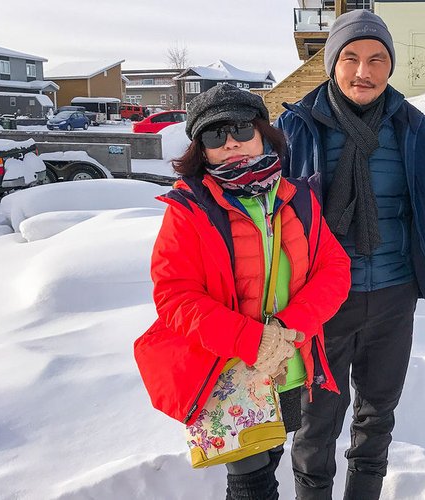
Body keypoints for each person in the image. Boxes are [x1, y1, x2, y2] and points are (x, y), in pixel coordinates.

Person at [275, 9, 425, 500]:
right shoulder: (297, 127)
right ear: (331, 63)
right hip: (323, 301)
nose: (363, 71)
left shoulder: (411, 126)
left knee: (376, 418)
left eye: (377, 59)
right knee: (317, 424)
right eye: (350, 57)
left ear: (390, 67)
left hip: (394, 296)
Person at [147, 83, 351, 499]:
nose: (231, 144)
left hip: (287, 363)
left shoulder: (298, 199)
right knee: (251, 482)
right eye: (214, 135)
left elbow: (335, 269)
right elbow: (175, 296)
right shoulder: (190, 210)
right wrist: (253, 341)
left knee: (270, 457)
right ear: (201, 150)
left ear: (263, 133)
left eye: (241, 129)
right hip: (227, 369)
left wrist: (291, 328)